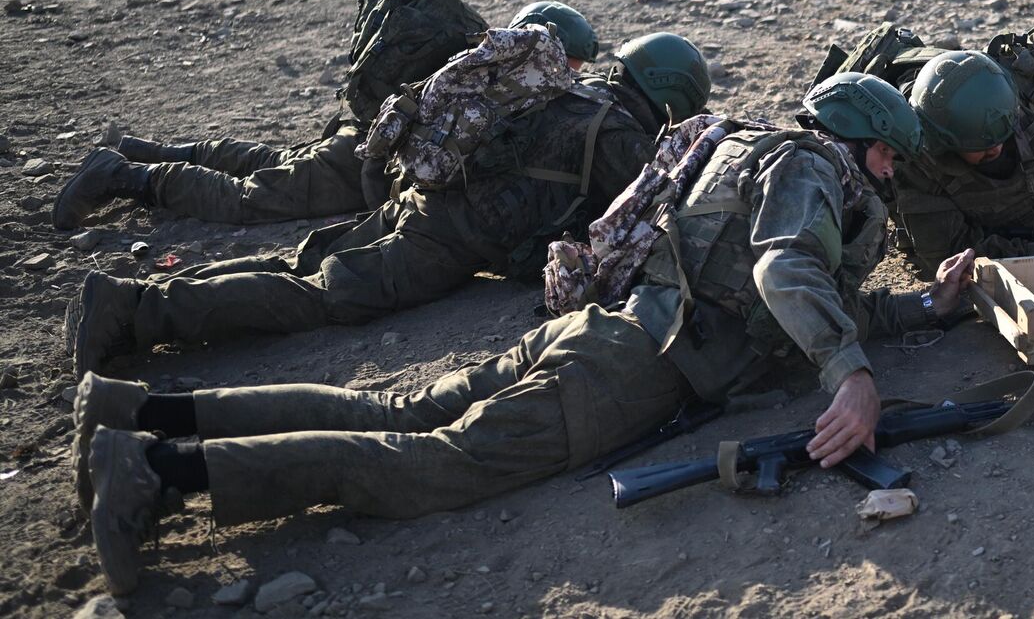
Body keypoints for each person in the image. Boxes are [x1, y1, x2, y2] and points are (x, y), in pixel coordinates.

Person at [73, 72, 979, 595]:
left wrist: (920, 311)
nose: (892, 173)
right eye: (892, 155)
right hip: (631, 371)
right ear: (864, 140)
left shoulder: (752, 149)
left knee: (388, 406)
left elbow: (788, 290)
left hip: (604, 327)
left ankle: (138, 409)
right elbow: (787, 273)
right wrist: (852, 376)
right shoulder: (815, 175)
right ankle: (157, 471)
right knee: (431, 466)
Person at [64, 32, 709, 376]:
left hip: (422, 191)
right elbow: (637, 229)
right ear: (673, 95)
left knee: (301, 268)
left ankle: (138, 296)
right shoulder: (623, 137)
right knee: (320, 296)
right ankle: (134, 311)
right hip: (447, 238)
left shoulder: (568, 87)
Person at [50, 0, 601, 230]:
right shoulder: (517, 78)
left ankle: (151, 152)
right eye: (574, 62)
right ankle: (122, 175)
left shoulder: (489, 56)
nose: (572, 74)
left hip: (363, 133)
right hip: (371, 154)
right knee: (257, 200)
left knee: (278, 161)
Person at [890, 4, 1034, 274]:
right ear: (946, 142)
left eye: (1004, 132)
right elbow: (952, 258)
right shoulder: (918, 162)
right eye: (980, 145)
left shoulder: (1019, 81)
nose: (997, 148)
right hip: (1001, 233)